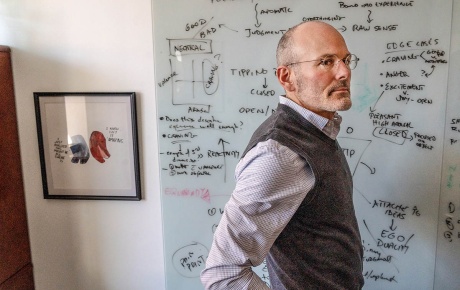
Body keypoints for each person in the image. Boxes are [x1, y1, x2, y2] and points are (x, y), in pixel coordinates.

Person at [201, 21, 364, 289]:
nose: (344, 72)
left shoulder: (317, 130)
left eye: (346, 60)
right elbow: (223, 272)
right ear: (286, 77)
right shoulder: (280, 155)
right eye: (326, 62)